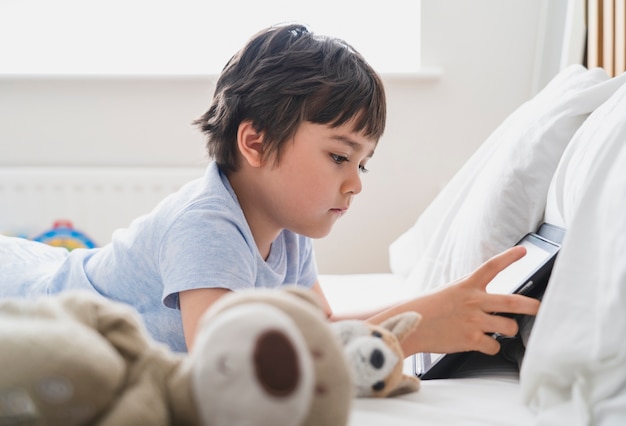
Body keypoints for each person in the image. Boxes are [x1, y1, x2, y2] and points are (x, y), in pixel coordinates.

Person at [0, 23, 538, 356]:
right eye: (338, 157)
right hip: (28, 298)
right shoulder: (208, 223)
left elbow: (320, 330)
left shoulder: (288, 233)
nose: (353, 184)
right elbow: (226, 359)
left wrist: (420, 310)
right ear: (255, 143)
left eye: (362, 165)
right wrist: (410, 330)